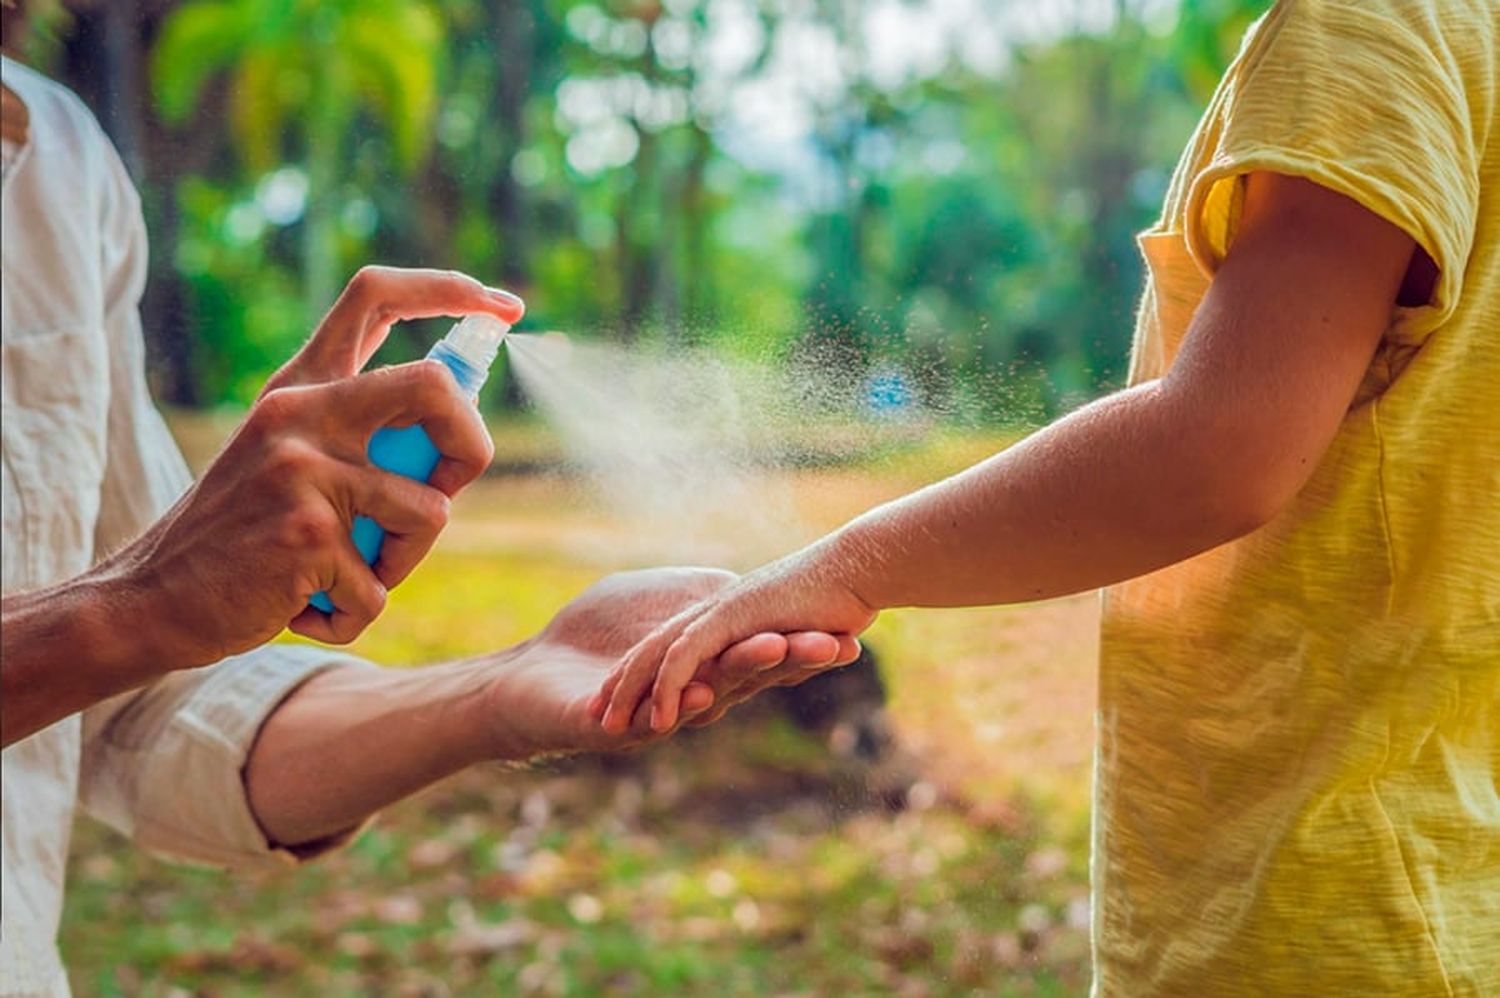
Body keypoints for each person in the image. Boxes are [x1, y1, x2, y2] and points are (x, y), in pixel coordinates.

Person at [596, 0, 1499, 992]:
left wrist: (843, 566)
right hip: (1439, 854)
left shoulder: (1371, 21)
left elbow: (1222, 447)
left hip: (1320, 894)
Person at [0, 49, 859, 998]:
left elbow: (143, 709)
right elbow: (124, 630)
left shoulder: (60, 167)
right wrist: (143, 604)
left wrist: (497, 690)